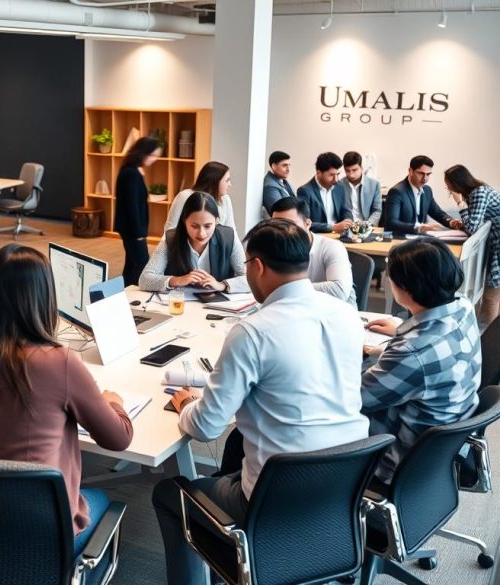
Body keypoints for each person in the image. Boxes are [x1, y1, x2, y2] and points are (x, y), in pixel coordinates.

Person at [152, 219, 369, 585]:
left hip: (275, 497)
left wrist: (187, 403)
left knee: (168, 492)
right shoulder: (347, 314)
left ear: (256, 266)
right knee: (238, 448)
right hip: (341, 484)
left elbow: (206, 427)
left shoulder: (252, 332)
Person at [0, 244, 133, 555]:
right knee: (100, 500)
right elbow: (118, 438)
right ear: (44, 298)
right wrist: (113, 402)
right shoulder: (56, 362)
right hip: (37, 528)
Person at [361, 237, 481, 485]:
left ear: (405, 288)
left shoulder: (413, 351)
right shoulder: (463, 307)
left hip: (396, 464)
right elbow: (432, 351)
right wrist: (402, 330)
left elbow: (354, 399)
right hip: (440, 450)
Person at [139, 191, 248, 293]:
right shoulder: (171, 240)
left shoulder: (229, 238)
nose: (202, 233)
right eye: (194, 226)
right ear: (184, 221)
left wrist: (222, 285)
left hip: (217, 309)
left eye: (207, 226)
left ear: (216, 221)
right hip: (180, 307)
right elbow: (144, 279)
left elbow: (249, 279)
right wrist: (177, 280)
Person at [271, 197, 355, 304]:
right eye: (275, 225)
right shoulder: (274, 248)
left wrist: (287, 288)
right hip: (297, 309)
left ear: (307, 224)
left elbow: (339, 290)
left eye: (289, 225)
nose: (281, 231)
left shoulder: (332, 247)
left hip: (333, 312)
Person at [444, 164, 500, 325]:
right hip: (496, 239)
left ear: (457, 183)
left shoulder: (479, 193)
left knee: (491, 297)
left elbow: (473, 227)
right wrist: (462, 222)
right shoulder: (477, 192)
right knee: (493, 296)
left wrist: (460, 203)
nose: (448, 188)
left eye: (448, 185)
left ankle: (489, 343)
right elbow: (474, 220)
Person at [114, 137, 159, 286]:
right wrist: (139, 233)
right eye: (153, 155)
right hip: (132, 229)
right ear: (144, 153)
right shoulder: (131, 173)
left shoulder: (133, 170)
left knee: (132, 264)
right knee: (142, 265)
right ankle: (132, 296)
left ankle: (124, 293)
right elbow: (131, 205)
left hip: (132, 228)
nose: (155, 159)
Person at [384, 155, 462, 236]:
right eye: (421, 173)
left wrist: (451, 222)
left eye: (428, 174)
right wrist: (418, 228)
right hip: (400, 238)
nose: (425, 178)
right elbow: (391, 223)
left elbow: (437, 213)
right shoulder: (397, 192)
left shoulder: (427, 190)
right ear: (410, 171)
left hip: (420, 238)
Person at [164, 161, 235, 233]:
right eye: (227, 180)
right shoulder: (185, 196)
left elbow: (231, 232)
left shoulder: (226, 199)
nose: (230, 184)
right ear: (215, 181)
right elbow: (170, 228)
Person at [296, 151, 353, 233]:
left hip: (340, 235)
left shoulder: (340, 187)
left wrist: (347, 221)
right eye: (332, 175)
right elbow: (304, 222)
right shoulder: (305, 191)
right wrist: (333, 227)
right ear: (319, 173)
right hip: (318, 236)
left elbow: (346, 211)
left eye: (338, 174)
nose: (336, 179)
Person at [339, 151, 382, 225]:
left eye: (354, 170)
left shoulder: (374, 185)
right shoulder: (339, 185)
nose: (351, 174)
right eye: (347, 171)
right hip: (346, 226)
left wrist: (368, 224)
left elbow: (377, 210)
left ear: (361, 168)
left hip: (367, 226)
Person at [261, 150, 295, 216]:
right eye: (284, 165)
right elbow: (280, 214)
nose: (288, 170)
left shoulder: (283, 181)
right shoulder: (270, 187)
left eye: (289, 165)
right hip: (285, 224)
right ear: (274, 166)